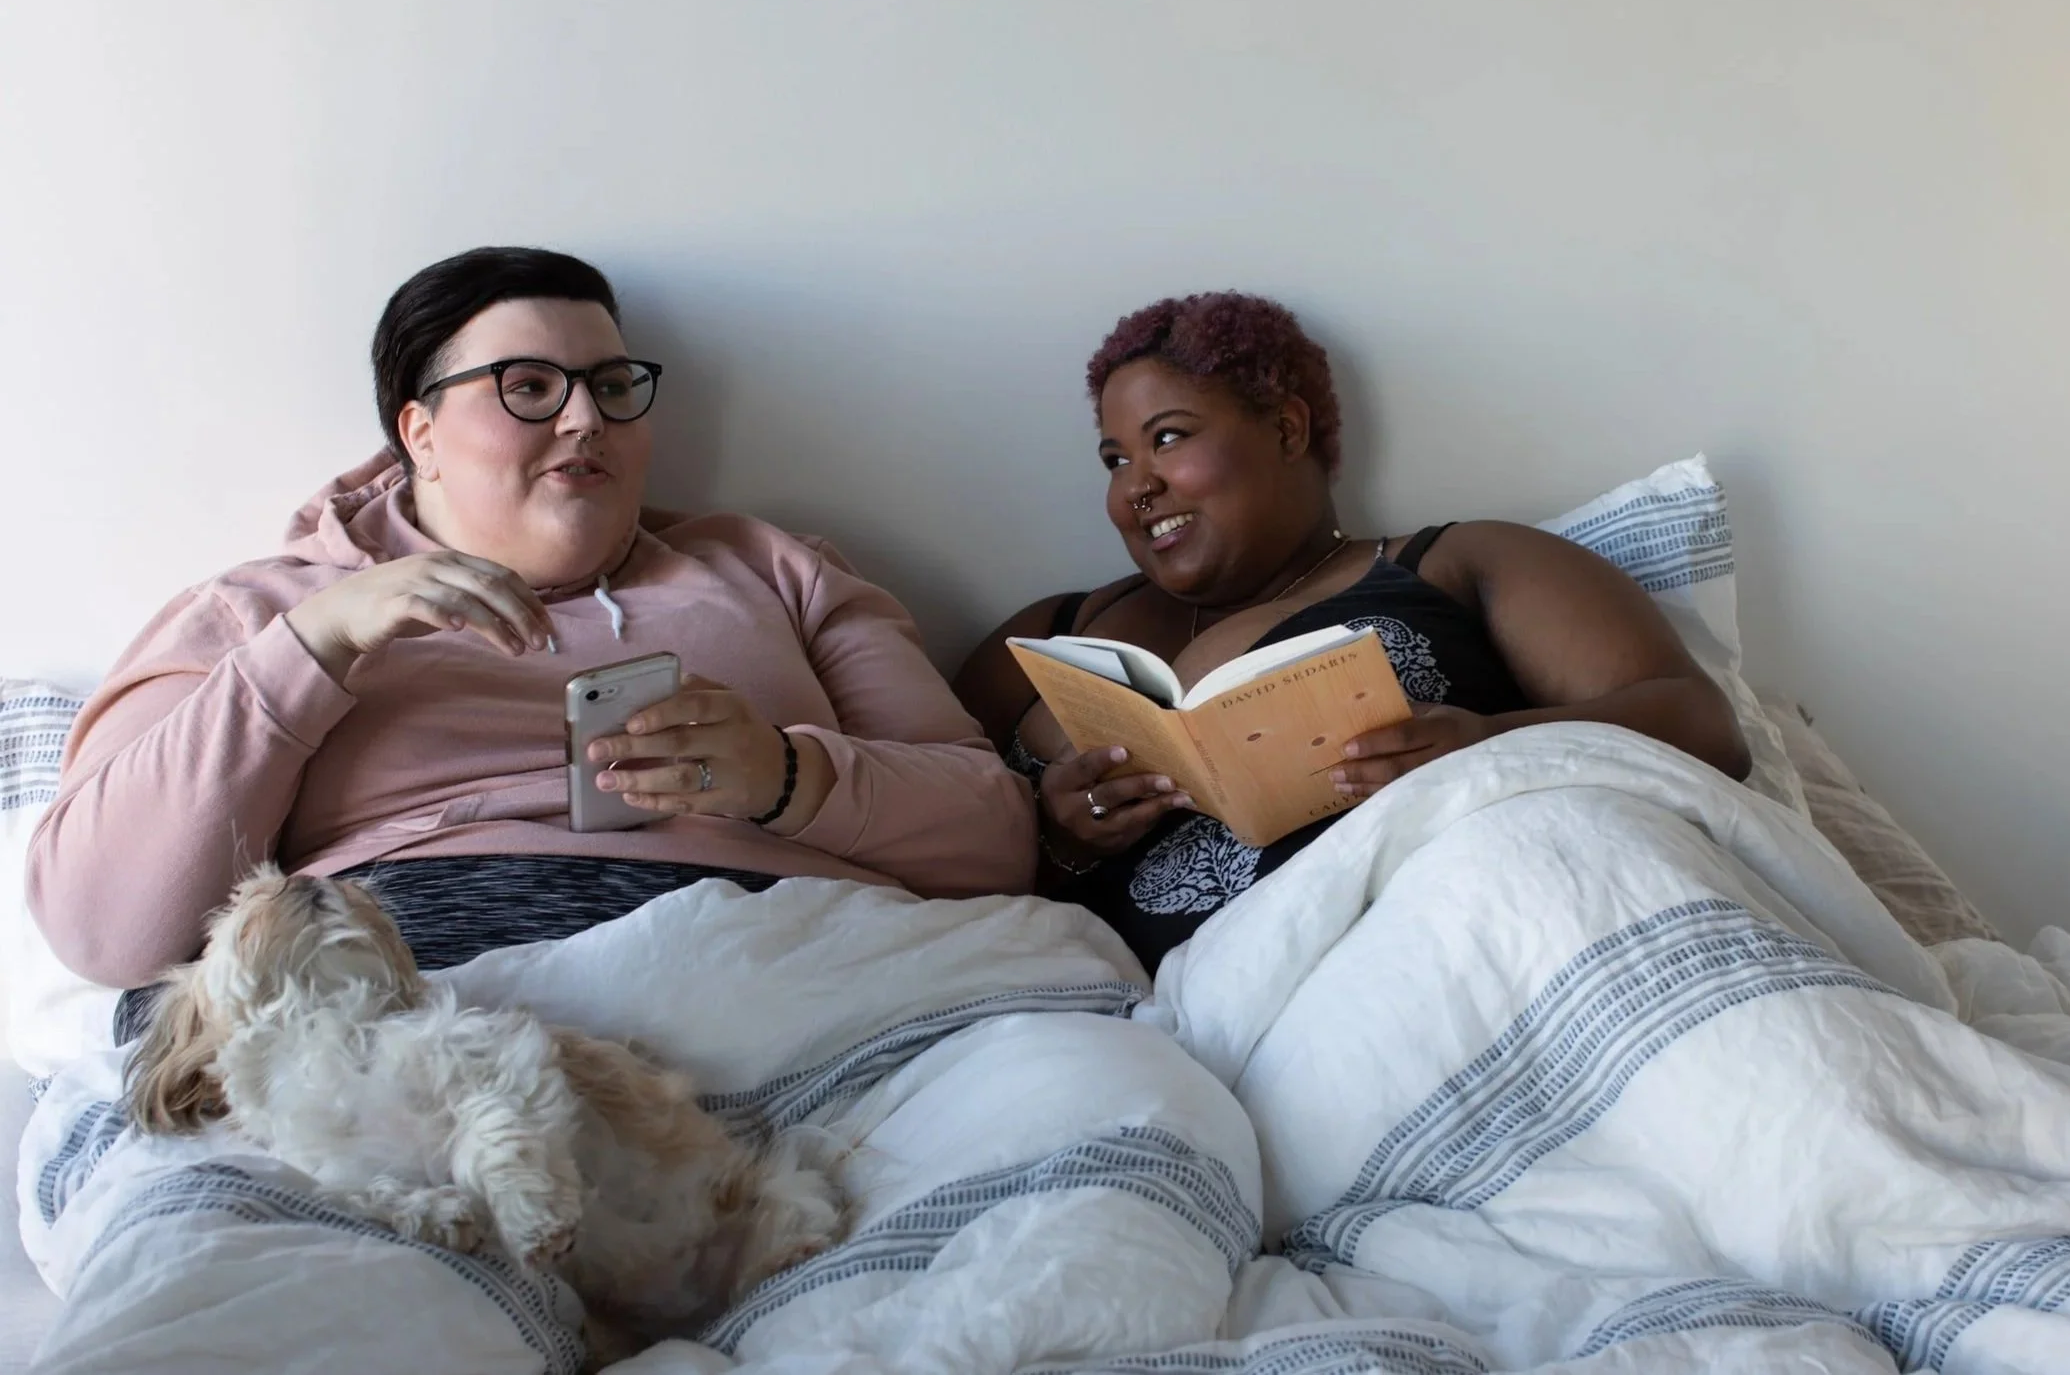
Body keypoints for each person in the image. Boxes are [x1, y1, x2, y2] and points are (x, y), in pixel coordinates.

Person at [30, 246, 1035, 1026]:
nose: (583, 418)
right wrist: (313, 652)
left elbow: (996, 840)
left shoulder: (777, 569)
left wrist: (786, 778)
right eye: (528, 387)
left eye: (609, 384)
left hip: (801, 969)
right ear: (417, 432)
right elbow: (103, 928)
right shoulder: (260, 611)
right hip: (423, 1016)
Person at [954, 292, 1749, 973]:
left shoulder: (1457, 563)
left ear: (1288, 431)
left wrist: (1491, 746)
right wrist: (1060, 841)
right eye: (1113, 459)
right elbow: (894, 839)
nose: (1138, 487)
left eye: (1167, 438)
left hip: (1433, 955)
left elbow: (1705, 728)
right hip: (1129, 1024)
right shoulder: (1054, 634)